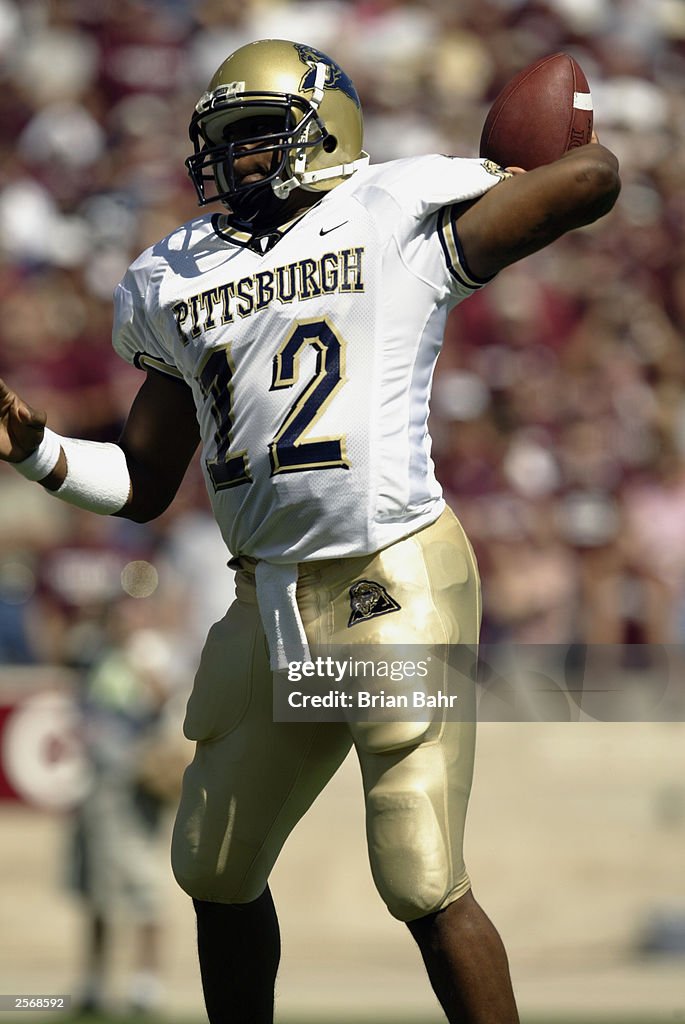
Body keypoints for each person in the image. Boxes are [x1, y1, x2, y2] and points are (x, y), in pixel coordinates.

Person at [0, 38, 619, 1024]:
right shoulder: (174, 276)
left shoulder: (393, 209)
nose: (235, 160)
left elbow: (586, 179)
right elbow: (147, 483)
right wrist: (37, 450)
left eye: (256, 136)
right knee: (214, 859)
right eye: (224, 141)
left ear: (324, 131)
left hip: (391, 577)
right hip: (270, 598)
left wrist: (549, 156)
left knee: (417, 870)